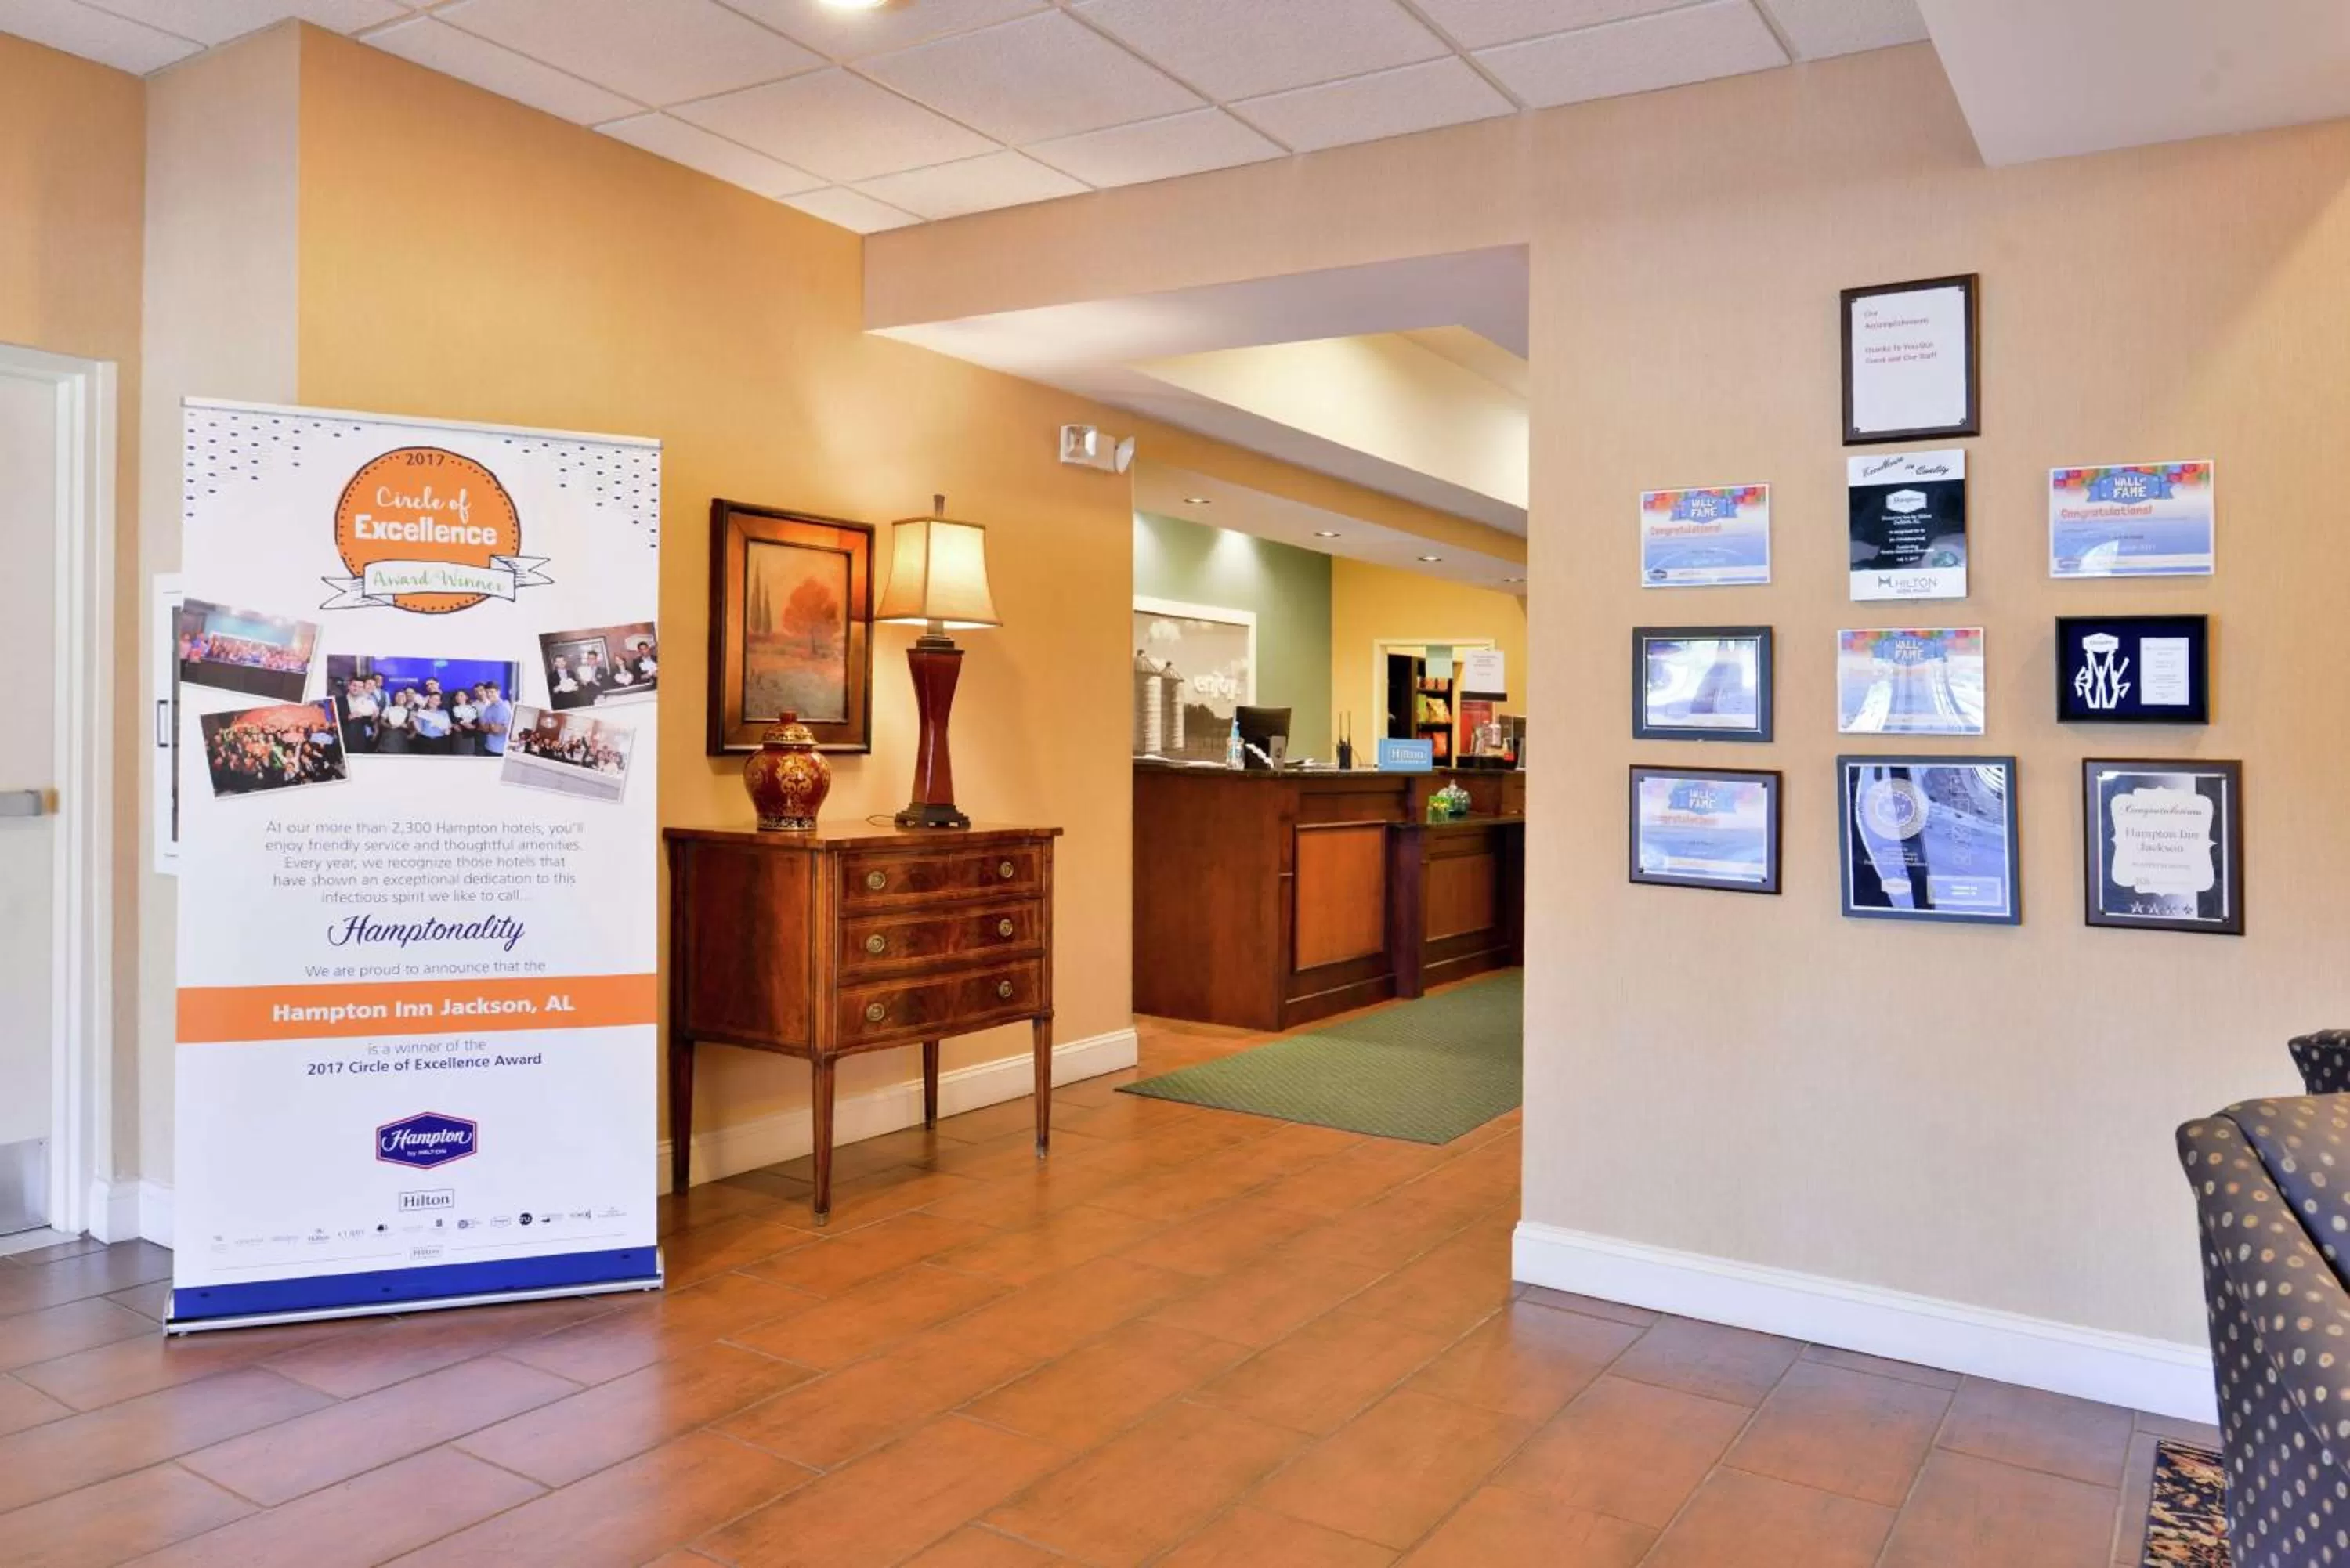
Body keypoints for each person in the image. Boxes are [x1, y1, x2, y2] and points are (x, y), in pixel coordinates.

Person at [477, 681, 512, 757]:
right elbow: (483, 728)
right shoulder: (488, 708)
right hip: (488, 747)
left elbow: (498, 731)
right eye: (487, 692)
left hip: (500, 750)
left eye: (492, 692)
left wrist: (488, 726)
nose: (489, 695)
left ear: (499, 692)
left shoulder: (505, 706)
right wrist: (492, 726)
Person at [410, 691, 451, 755]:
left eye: (436, 700)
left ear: (440, 702)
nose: (433, 701)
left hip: (439, 741)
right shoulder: (422, 713)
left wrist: (447, 731)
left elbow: (448, 729)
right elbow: (419, 730)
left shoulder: (444, 713)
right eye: (432, 699)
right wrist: (414, 720)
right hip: (424, 740)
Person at [377, 687, 413, 755]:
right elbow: (381, 721)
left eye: (402, 696)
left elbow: (411, 727)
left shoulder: (409, 711)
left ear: (406, 698)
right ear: (395, 698)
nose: (400, 698)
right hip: (389, 733)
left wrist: (406, 726)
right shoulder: (389, 708)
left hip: (402, 735)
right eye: (398, 696)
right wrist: (389, 726)